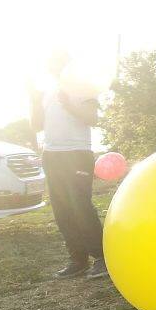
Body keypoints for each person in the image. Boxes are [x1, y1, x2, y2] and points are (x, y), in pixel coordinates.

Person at [29, 52, 108, 279]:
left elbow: (93, 118)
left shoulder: (83, 86)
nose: (53, 68)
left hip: (77, 153)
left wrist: (68, 104)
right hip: (52, 155)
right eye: (50, 64)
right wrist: (34, 101)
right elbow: (36, 126)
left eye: (57, 63)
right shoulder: (47, 93)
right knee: (62, 209)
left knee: (80, 206)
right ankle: (78, 259)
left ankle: (102, 258)